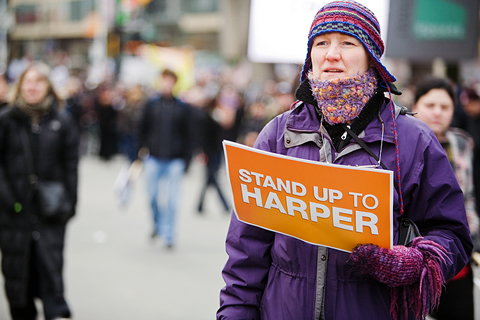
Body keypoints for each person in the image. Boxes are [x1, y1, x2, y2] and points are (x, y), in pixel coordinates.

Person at [217, 2, 472, 320]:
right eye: (321, 43)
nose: (331, 54)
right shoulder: (279, 134)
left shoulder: (413, 140)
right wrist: (235, 313)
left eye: (348, 43)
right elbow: (247, 245)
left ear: (372, 58)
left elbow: (453, 235)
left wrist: (415, 262)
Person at [0, 62, 79, 320]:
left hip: (51, 211)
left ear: (48, 87)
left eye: (38, 81)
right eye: (27, 81)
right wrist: (10, 201)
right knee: (18, 277)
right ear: (20, 85)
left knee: (50, 274)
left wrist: (69, 204)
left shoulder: (62, 121)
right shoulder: (7, 120)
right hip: (14, 212)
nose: (32, 86)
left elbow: (71, 166)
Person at [411, 76, 479, 320]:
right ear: (415, 104)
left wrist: (472, 238)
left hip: (456, 256)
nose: (437, 112)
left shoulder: (461, 143)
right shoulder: (402, 142)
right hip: (413, 258)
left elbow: (468, 196)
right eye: (430, 105)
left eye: (445, 106)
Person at [138, 69, 194, 248]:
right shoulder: (151, 105)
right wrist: (138, 152)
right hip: (153, 157)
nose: (166, 84)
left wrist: (187, 160)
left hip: (175, 160)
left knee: (172, 200)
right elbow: (141, 129)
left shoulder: (182, 108)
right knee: (152, 196)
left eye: (170, 81)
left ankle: (168, 234)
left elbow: (189, 135)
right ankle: (157, 225)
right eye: (164, 80)